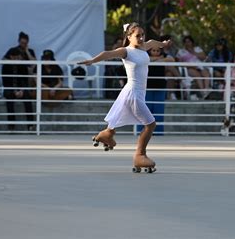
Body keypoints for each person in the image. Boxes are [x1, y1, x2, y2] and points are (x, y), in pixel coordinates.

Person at [78, 22, 170, 172]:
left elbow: (153, 42)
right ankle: (140, 155)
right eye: (137, 36)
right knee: (151, 124)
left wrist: (163, 44)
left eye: (142, 35)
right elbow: (108, 54)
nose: (141, 38)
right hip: (133, 93)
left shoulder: (144, 47)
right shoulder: (126, 51)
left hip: (137, 92)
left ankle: (106, 135)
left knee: (120, 119)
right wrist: (92, 61)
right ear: (129, 37)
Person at [136, 46, 173, 134]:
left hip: (160, 87)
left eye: (158, 51)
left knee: (159, 112)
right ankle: (141, 132)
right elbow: (144, 60)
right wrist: (158, 59)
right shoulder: (144, 56)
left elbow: (171, 59)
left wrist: (157, 59)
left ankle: (158, 133)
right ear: (149, 51)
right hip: (146, 87)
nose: (156, 52)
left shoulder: (165, 56)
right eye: (154, 50)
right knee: (145, 111)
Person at [2, 47, 35, 132]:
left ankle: (31, 124)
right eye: (15, 57)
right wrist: (14, 90)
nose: (17, 59)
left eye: (18, 57)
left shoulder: (22, 65)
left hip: (21, 89)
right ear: (11, 57)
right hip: (10, 89)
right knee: (9, 97)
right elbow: (5, 81)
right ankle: (11, 125)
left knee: (28, 97)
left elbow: (25, 80)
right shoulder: (5, 67)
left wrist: (22, 90)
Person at [160, 34, 181, 100]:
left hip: (170, 70)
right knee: (169, 66)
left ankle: (171, 94)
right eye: (170, 40)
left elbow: (176, 60)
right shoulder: (159, 49)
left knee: (169, 74)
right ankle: (181, 79)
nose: (172, 42)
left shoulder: (173, 50)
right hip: (160, 69)